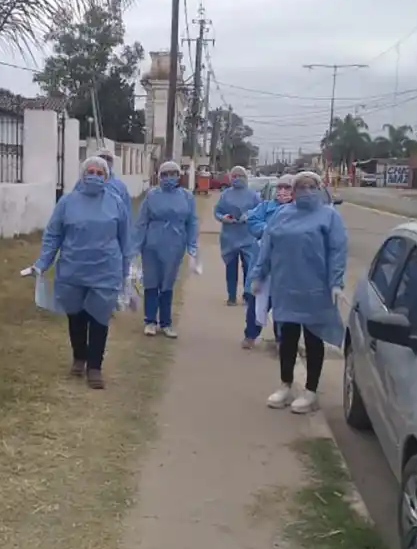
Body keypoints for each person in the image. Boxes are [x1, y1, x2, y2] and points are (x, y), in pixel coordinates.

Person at [249, 171, 348, 414]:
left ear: (319, 189)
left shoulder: (329, 216)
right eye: (301, 187)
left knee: (313, 338)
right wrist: (258, 275)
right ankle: (285, 385)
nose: (306, 191)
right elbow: (268, 247)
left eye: (311, 186)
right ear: (294, 191)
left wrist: (336, 283)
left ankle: (311, 391)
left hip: (315, 289)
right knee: (288, 338)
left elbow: (337, 250)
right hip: (286, 287)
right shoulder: (282, 215)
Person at [29, 157, 130, 389]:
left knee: (99, 318)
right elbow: (53, 234)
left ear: (106, 177)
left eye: (99, 172)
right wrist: (43, 262)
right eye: (90, 171)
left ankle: (95, 367)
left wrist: (126, 273)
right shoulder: (67, 202)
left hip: (105, 270)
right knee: (76, 316)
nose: (94, 175)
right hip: (73, 269)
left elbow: (126, 240)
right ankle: (79, 357)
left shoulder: (116, 203)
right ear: (82, 174)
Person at [133, 161, 199, 338]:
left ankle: (166, 322)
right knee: (151, 282)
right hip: (152, 244)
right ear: (159, 176)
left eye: (173, 174)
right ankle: (150, 321)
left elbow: (192, 222)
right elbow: (141, 222)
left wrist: (192, 246)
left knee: (168, 284)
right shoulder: (152, 196)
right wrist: (135, 247)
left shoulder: (187, 197)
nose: (170, 178)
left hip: (175, 243)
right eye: (165, 174)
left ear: (179, 176)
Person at [241, 174, 294, 349]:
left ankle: (281, 340)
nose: (283, 191)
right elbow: (253, 221)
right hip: (264, 264)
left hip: (286, 267)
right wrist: (268, 230)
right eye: (280, 188)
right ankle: (250, 335)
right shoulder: (265, 207)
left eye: (287, 188)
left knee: (283, 306)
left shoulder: (298, 211)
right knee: (256, 301)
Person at [214, 165, 261, 305]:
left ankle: (247, 295)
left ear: (245, 178)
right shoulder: (225, 195)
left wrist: (249, 216)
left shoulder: (253, 195)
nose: (237, 179)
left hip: (248, 236)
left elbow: (260, 211)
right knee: (231, 268)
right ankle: (231, 296)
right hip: (230, 237)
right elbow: (217, 211)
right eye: (234, 176)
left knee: (249, 267)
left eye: (240, 176)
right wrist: (224, 218)